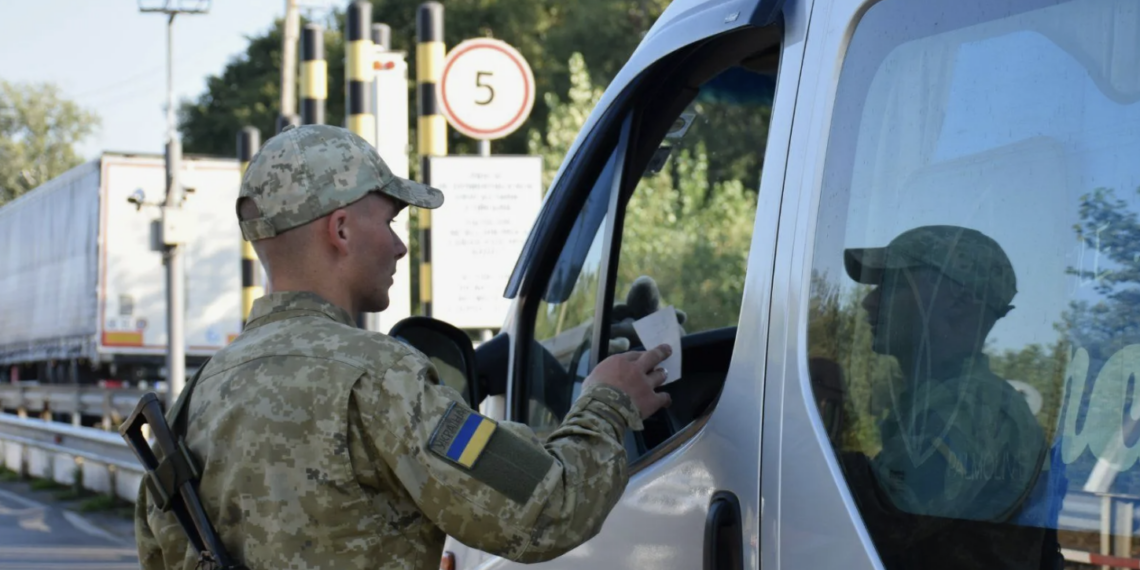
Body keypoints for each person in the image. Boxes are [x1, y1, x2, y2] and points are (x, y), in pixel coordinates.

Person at [133, 124, 674, 569]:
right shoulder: (380, 378)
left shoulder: (191, 403)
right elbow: (546, 509)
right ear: (340, 230)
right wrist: (607, 402)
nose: (397, 246)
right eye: (390, 221)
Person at [836, 225, 1053, 569]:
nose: (869, 300)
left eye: (892, 284)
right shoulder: (955, 400)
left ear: (958, 302)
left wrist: (810, 426)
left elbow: (875, 525)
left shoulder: (968, 406)